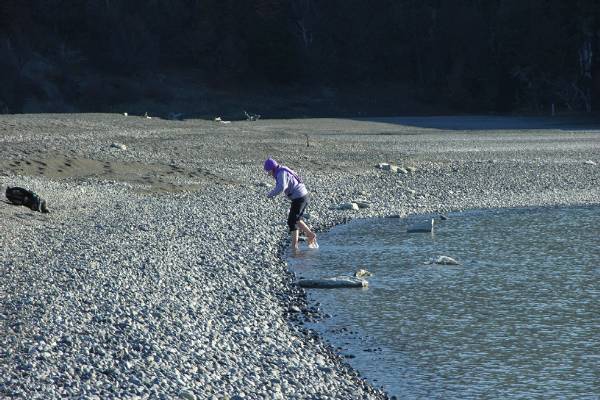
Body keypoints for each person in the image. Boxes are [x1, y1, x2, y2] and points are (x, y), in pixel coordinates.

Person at [264, 158, 318, 250]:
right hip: (302, 196)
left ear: (272, 169)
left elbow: (281, 187)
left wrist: (271, 195)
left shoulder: (281, 173)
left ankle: (295, 247)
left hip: (299, 198)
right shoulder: (282, 169)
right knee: (297, 219)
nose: (269, 174)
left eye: (269, 172)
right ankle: (310, 235)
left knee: (291, 221)